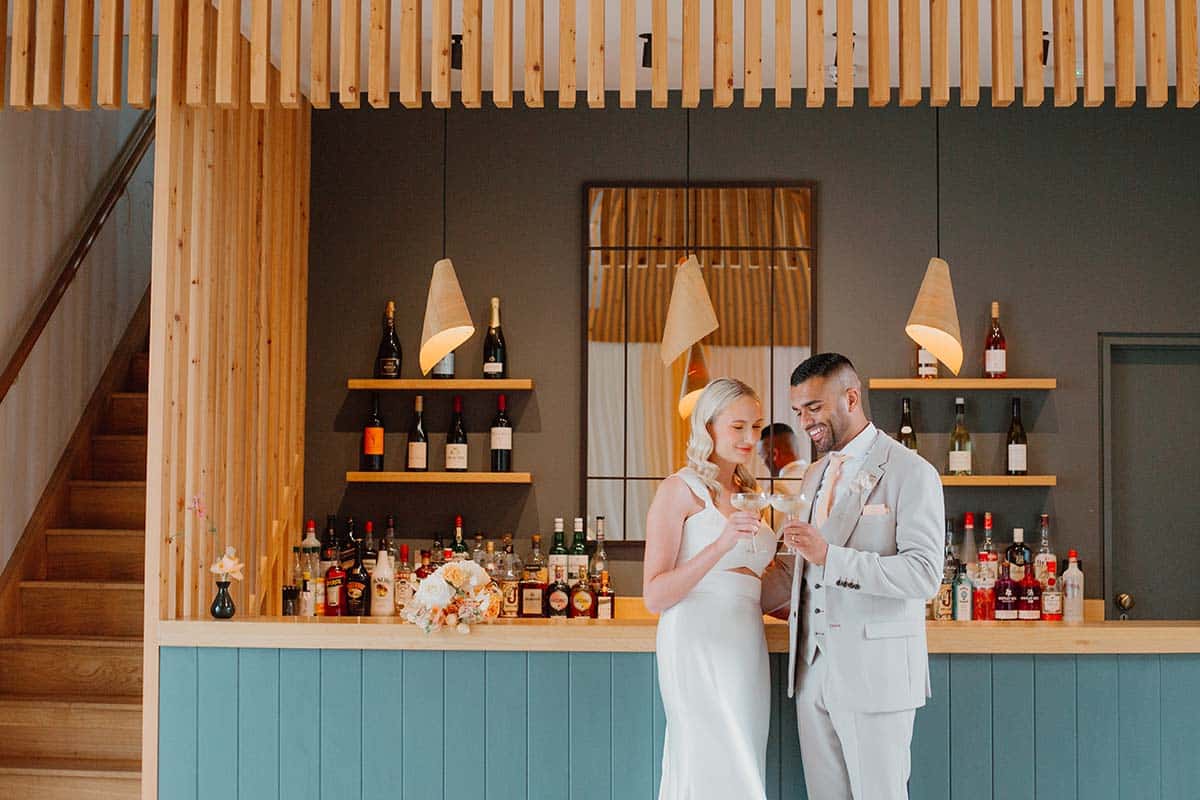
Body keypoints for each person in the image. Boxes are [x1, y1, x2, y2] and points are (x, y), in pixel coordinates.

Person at [761, 353, 943, 800]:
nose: (805, 422)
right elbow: (801, 573)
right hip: (812, 672)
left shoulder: (912, 472)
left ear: (851, 397)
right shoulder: (814, 476)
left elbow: (923, 575)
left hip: (875, 677)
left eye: (814, 408)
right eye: (798, 411)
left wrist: (830, 556)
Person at [643, 378, 777, 800]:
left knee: (745, 758)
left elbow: (754, 586)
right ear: (709, 427)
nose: (750, 438)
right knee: (711, 763)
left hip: (745, 643)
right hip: (695, 640)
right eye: (738, 427)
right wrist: (721, 544)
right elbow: (655, 595)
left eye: (755, 427)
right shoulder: (678, 490)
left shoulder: (752, 495)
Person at [759, 422, 809, 494]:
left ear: (774, 454)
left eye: (762, 455)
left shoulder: (778, 488)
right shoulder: (818, 474)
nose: (763, 463)